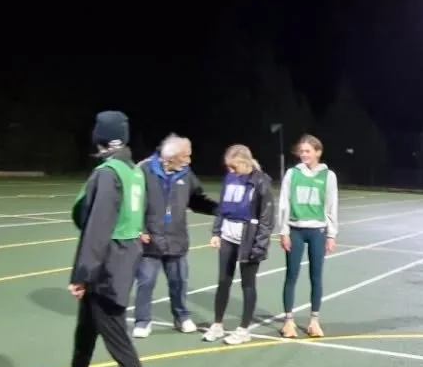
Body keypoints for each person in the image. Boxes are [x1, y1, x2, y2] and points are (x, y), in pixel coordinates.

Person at [32, 111, 157, 367]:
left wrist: (82, 275)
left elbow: (97, 228)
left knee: (117, 340)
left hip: (107, 269)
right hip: (122, 260)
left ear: (100, 138)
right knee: (85, 334)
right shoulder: (133, 171)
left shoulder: (107, 174)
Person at [132, 134, 218, 339]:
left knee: (179, 281)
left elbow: (196, 199)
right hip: (149, 240)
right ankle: (142, 321)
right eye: (185, 156)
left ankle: (181, 317)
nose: (189, 161)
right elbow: (132, 204)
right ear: (170, 157)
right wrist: (139, 229)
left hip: (176, 239)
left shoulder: (186, 173)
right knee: (146, 282)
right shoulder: (142, 170)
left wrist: (218, 209)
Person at [204, 145, 275, 344]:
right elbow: (223, 207)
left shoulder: (260, 181)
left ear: (244, 163)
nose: (231, 171)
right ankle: (217, 325)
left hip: (248, 238)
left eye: (234, 167)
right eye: (229, 167)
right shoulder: (229, 178)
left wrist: (260, 245)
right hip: (228, 236)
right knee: (223, 282)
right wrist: (217, 231)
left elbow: (267, 218)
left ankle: (244, 330)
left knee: (248, 284)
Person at [276, 134, 339, 338]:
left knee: (316, 276)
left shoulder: (328, 176)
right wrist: (283, 231)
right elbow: (284, 203)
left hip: (318, 232)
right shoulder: (292, 174)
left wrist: (331, 234)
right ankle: (289, 322)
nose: (304, 155)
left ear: (318, 152)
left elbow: (331, 206)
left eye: (308, 151)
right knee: (291, 275)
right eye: (301, 151)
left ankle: (314, 321)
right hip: (295, 230)